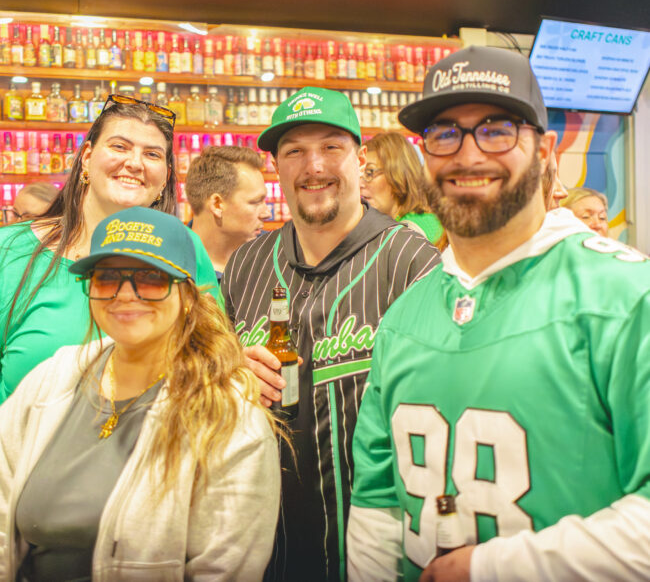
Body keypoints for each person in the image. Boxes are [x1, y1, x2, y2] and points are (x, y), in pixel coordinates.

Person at [348, 45, 650, 581]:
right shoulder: (403, 318)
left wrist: (490, 568)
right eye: (445, 133)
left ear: (546, 151)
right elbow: (377, 509)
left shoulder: (627, 297)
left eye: (497, 129)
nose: (468, 155)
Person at [220, 86, 441, 582]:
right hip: (265, 548)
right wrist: (228, 375)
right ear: (276, 167)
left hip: (379, 549)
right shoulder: (245, 266)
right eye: (295, 151)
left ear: (360, 161)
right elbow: (207, 393)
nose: (313, 166)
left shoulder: (410, 260)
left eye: (330, 147)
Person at [0, 206, 280, 581]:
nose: (125, 294)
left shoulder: (228, 414)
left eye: (150, 277)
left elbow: (224, 568)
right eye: (107, 277)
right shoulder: (53, 379)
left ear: (187, 295)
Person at [0, 95, 218, 403]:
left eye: (152, 154)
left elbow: (214, 360)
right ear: (87, 156)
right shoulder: (9, 248)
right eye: (119, 146)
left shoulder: (186, 246)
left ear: (166, 176)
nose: (135, 163)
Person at [185, 145, 271, 282]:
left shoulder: (277, 254)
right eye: (256, 202)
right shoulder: (168, 265)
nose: (267, 213)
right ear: (217, 204)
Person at [360, 131, 444, 244]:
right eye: (359, 174)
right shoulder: (426, 219)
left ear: (398, 175)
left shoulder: (409, 232)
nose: (360, 184)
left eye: (370, 172)